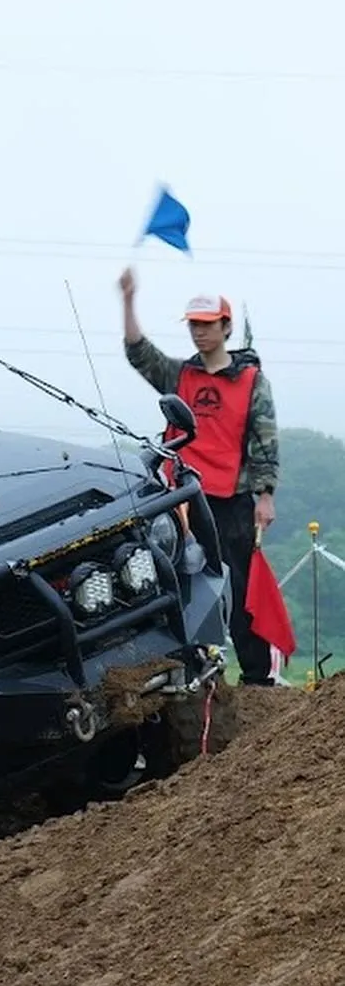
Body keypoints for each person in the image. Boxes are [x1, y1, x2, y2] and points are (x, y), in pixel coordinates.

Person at [119, 268, 279, 686]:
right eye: (194, 325)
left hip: (231, 498)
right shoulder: (180, 376)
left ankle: (257, 678)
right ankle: (187, 671)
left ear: (226, 327)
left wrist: (265, 495)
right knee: (177, 586)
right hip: (180, 499)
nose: (199, 333)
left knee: (240, 588)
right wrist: (128, 300)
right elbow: (139, 352)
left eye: (207, 325)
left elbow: (265, 441)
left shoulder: (251, 381)